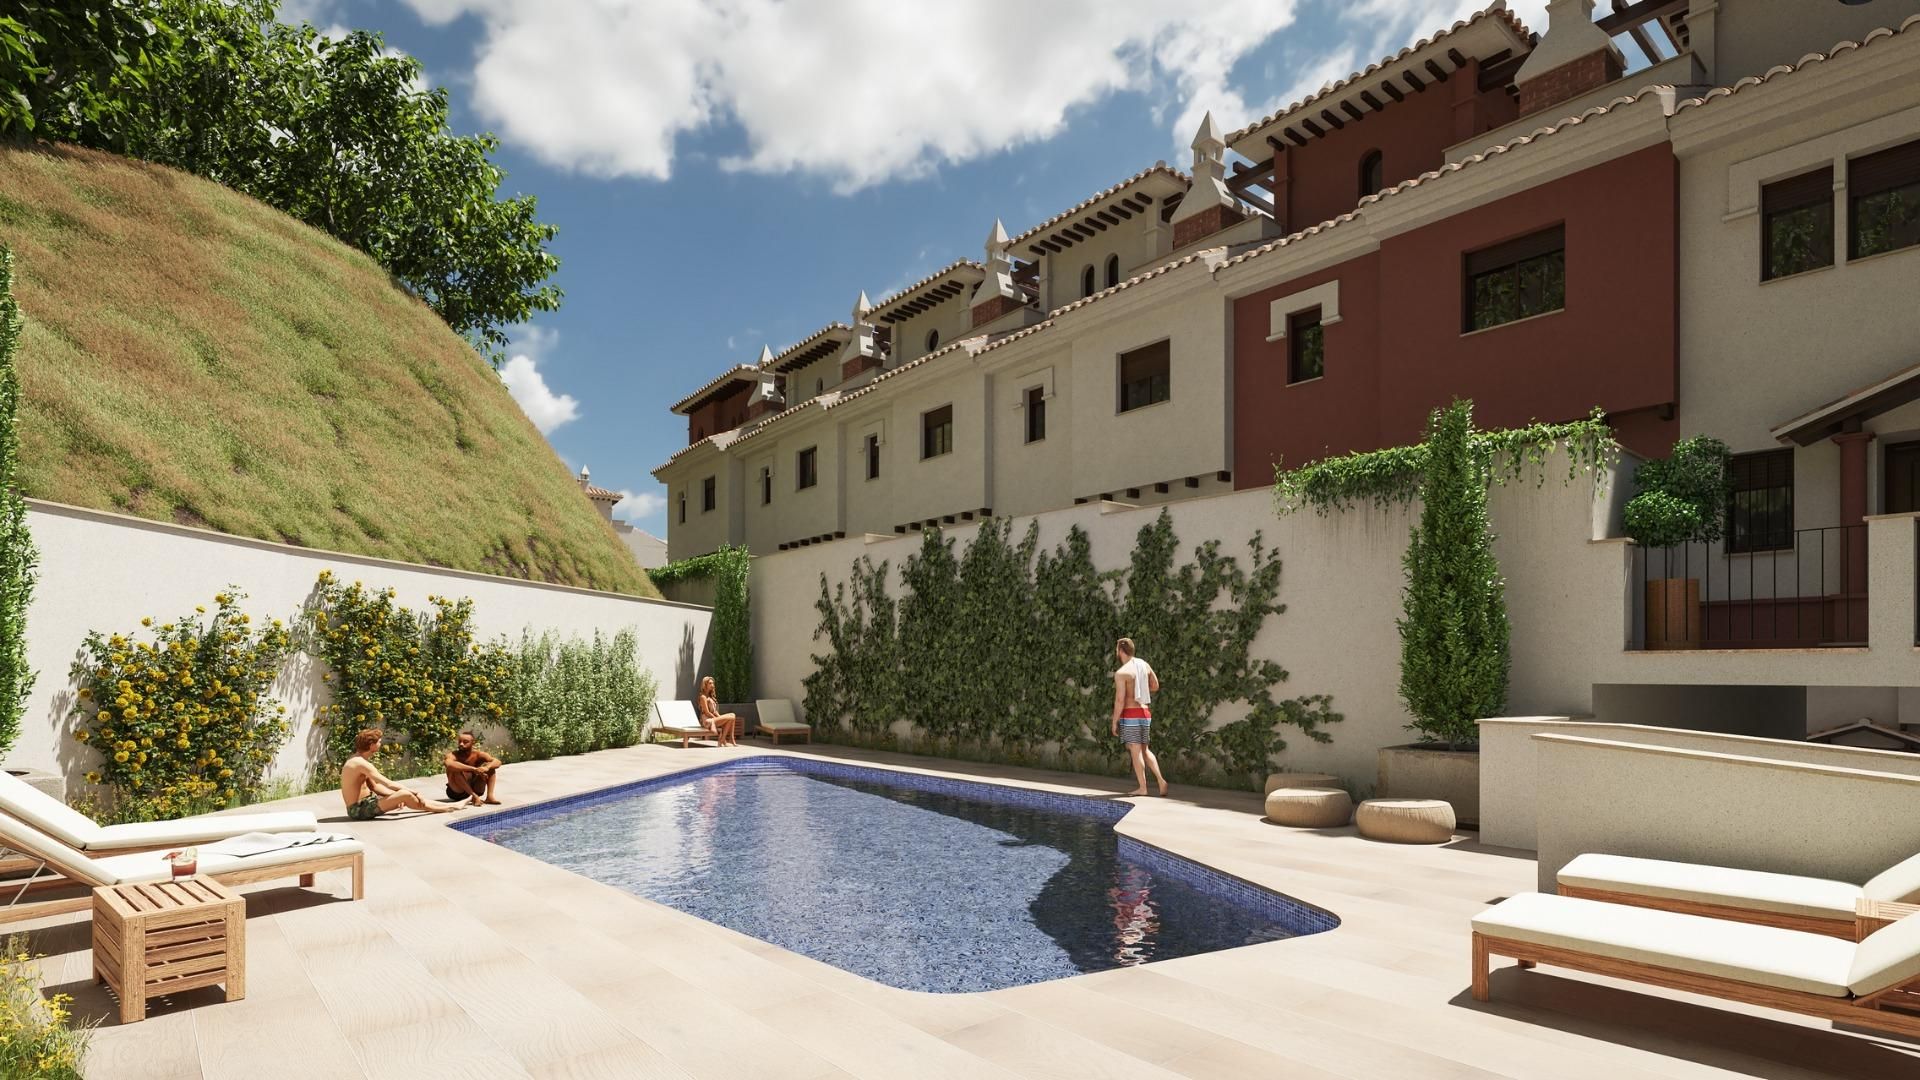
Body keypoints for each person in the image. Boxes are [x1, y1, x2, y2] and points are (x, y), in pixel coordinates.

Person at [340, 729, 459, 820]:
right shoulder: (360, 763)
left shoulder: (358, 760)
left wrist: (396, 796)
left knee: (404, 795)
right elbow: (388, 783)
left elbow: (375, 787)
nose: (381, 744)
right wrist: (413, 793)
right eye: (379, 742)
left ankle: (451, 805)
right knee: (405, 794)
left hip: (367, 803)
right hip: (357, 810)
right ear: (371, 745)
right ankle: (441, 809)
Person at [1111, 637, 1168, 797]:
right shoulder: (1144, 664)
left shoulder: (1122, 673)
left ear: (1120, 651)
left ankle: (1143, 788)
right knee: (1145, 750)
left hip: (1131, 714)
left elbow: (1120, 700)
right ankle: (1161, 780)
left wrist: (1114, 721)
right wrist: (1141, 690)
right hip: (1145, 713)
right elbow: (1155, 685)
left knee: (1135, 752)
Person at [444, 730, 502, 806]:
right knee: (454, 769)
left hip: (476, 788)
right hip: (457, 792)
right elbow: (448, 764)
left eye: (465, 742)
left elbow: (497, 762)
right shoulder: (453, 755)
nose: (461, 744)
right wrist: (474, 769)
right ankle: (474, 796)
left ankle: (489, 797)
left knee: (491, 767)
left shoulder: (478, 754)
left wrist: (487, 767)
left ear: (473, 743)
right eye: (460, 741)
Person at [697, 676, 740, 746]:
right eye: (710, 683)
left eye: (713, 683)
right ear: (705, 684)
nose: (712, 685)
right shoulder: (703, 697)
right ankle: (726, 739)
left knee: (732, 716)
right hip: (706, 721)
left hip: (713, 719)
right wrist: (717, 718)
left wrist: (720, 717)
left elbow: (715, 711)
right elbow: (707, 712)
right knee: (732, 716)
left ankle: (727, 739)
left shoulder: (711, 697)